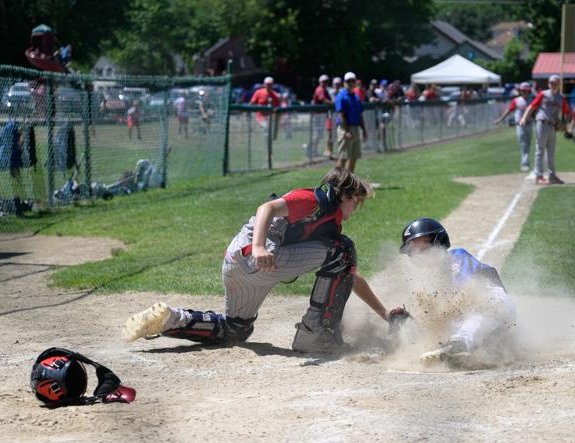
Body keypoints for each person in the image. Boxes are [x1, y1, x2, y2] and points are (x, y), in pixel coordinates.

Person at [122, 167, 401, 354]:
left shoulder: (326, 220)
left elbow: (351, 275)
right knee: (342, 249)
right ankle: (316, 334)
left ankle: (169, 319)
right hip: (257, 257)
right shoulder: (315, 201)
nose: (355, 208)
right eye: (356, 202)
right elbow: (267, 207)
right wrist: (258, 247)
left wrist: (384, 313)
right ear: (344, 195)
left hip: (237, 265)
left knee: (236, 329)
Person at [397, 218, 516, 366]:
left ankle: (460, 345)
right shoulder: (434, 278)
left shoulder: (457, 257)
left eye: (421, 244)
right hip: (478, 321)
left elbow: (465, 295)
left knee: (476, 312)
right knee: (448, 330)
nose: (417, 252)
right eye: (412, 248)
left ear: (438, 240)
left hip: (494, 306)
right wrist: (412, 321)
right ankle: (473, 348)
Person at [520, 74, 570, 185]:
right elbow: (531, 107)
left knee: (551, 152)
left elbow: (567, 112)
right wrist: (524, 118)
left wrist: (565, 125)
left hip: (553, 126)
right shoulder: (543, 94)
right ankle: (539, 176)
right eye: (551, 83)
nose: (553, 84)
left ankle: (552, 176)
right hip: (541, 124)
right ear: (548, 84)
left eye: (555, 83)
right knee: (540, 150)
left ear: (559, 84)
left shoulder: (561, 98)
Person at [494, 82, 533, 171]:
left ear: (529, 91)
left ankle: (525, 161)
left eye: (526, 91)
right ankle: (525, 163)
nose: (524, 92)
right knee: (523, 143)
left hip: (529, 124)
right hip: (520, 125)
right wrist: (500, 119)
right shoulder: (517, 100)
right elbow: (509, 110)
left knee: (528, 144)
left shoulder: (532, 100)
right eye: (522, 91)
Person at [335, 71, 367, 172]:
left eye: (353, 81)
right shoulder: (341, 96)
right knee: (343, 157)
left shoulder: (356, 97)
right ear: (344, 83)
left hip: (355, 128)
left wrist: (364, 130)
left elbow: (360, 115)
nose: (351, 83)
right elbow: (341, 114)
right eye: (348, 81)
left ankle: (349, 182)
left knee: (354, 157)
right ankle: (335, 182)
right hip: (345, 128)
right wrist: (347, 131)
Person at [310, 74, 333, 157]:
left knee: (319, 134)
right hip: (317, 115)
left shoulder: (325, 90)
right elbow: (323, 99)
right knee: (317, 134)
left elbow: (329, 99)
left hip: (321, 115)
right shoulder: (320, 89)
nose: (325, 83)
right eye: (323, 81)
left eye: (326, 81)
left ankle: (313, 150)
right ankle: (310, 148)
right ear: (320, 82)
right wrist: (333, 104)